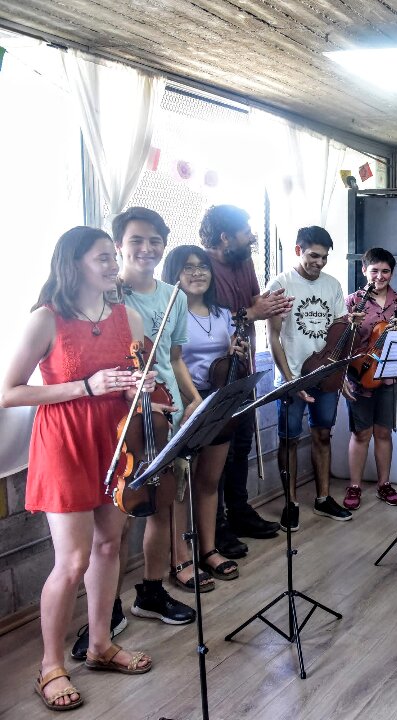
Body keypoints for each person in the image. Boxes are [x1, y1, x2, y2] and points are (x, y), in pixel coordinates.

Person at [1, 227, 154, 711]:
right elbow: (9, 393)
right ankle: (49, 666)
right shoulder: (46, 319)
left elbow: (135, 372)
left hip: (116, 439)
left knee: (111, 545)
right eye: (103, 257)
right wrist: (84, 387)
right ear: (74, 263)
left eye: (114, 256)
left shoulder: (127, 314)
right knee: (71, 561)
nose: (114, 264)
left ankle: (100, 645)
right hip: (65, 442)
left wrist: (140, 385)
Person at [112, 208, 202, 625]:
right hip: (124, 418)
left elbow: (175, 358)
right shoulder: (109, 295)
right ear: (119, 246)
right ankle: (106, 606)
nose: (146, 249)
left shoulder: (175, 296)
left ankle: (150, 591)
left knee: (163, 503)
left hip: (169, 414)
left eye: (154, 242)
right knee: (117, 517)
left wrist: (194, 400)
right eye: (136, 240)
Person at [199, 205, 290, 555]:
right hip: (214, 373)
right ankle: (216, 525)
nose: (252, 236)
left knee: (241, 445)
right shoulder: (201, 266)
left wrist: (273, 305)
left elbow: (254, 302)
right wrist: (254, 312)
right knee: (216, 453)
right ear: (225, 237)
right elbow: (207, 317)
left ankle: (238, 511)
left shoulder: (244, 261)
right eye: (246, 231)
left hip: (245, 365)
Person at [162, 245, 245, 584]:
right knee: (180, 486)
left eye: (202, 267)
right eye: (187, 267)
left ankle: (208, 550)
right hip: (186, 404)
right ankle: (181, 559)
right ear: (174, 274)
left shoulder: (222, 313)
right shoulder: (170, 312)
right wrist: (194, 398)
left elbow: (226, 358)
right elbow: (170, 360)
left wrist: (233, 353)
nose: (197, 273)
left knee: (210, 481)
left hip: (218, 401)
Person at [267, 226, 356, 530]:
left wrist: (339, 370)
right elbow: (273, 337)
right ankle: (290, 503)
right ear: (298, 251)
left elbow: (340, 331)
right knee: (289, 439)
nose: (318, 262)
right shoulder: (281, 283)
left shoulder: (332, 285)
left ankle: (323, 498)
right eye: (313, 256)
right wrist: (290, 378)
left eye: (324, 257)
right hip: (292, 376)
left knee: (322, 434)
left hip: (325, 373)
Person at [342, 247, 397, 509]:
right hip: (359, 375)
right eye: (374, 270)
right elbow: (341, 343)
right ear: (364, 270)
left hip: (390, 377)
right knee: (361, 433)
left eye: (385, 271)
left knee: (383, 432)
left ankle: (384, 484)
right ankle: (354, 486)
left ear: (392, 272)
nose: (380, 275)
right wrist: (350, 325)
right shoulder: (352, 301)